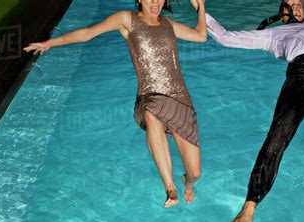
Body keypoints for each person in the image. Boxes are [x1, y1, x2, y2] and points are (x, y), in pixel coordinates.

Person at [24, 0, 207, 207]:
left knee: (195, 172)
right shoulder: (127, 20)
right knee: (151, 112)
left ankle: (187, 183)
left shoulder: (169, 24)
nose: (155, 2)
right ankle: (170, 188)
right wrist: (50, 43)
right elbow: (87, 33)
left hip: (180, 99)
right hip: (150, 96)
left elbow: (201, 35)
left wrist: (201, 5)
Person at [197, 0, 304, 222]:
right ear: (282, 14)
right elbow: (225, 37)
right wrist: (199, 7)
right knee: (278, 136)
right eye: (290, 3)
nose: (296, 6)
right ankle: (250, 207)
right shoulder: (274, 35)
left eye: (299, 2)